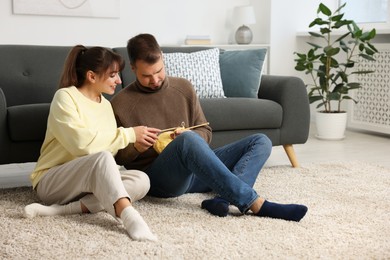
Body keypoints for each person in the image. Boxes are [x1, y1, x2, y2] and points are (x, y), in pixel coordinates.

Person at [110, 33, 308, 222]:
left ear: (162, 59)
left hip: (197, 171)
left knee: (261, 141)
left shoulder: (184, 88)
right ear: (133, 68)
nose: (154, 80)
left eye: (159, 71)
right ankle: (254, 203)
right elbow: (117, 157)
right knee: (187, 141)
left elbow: (205, 131)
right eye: (146, 75)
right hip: (161, 180)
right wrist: (136, 147)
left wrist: (191, 135)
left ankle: (222, 199)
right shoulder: (121, 104)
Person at [23, 45, 158, 241]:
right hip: (52, 181)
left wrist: (136, 145)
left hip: (86, 184)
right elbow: (81, 145)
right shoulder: (65, 97)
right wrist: (128, 135)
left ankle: (59, 211)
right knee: (102, 158)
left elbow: (106, 155)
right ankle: (130, 218)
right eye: (113, 75)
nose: (119, 81)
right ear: (91, 76)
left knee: (141, 180)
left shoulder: (106, 106)